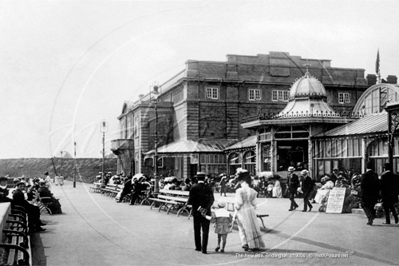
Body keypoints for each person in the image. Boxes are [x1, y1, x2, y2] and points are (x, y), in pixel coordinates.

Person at [234, 169, 265, 251]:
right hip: (250, 209)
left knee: (242, 227)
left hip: (242, 210)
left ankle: (245, 243)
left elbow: (239, 203)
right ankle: (254, 244)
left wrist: (236, 208)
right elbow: (255, 203)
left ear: (241, 181)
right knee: (252, 226)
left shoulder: (239, 191)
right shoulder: (253, 191)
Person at [187, 172, 214, 254]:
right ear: (204, 178)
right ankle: (204, 248)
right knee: (205, 231)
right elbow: (212, 200)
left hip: (197, 212)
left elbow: (190, 201)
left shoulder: (193, 188)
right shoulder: (209, 188)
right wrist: (205, 208)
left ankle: (198, 247)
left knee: (197, 230)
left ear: (196, 179)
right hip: (206, 212)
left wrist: (198, 207)